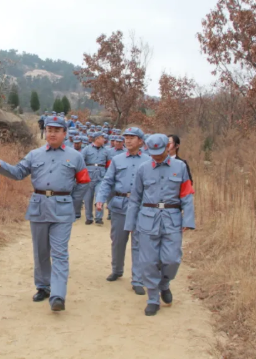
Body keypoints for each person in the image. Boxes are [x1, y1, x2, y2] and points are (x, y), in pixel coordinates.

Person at [0, 116, 90, 311]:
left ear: (65, 133)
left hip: (62, 210)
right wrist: (0, 165)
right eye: (49, 130)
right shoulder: (34, 155)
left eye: (57, 130)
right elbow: (18, 172)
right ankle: (43, 286)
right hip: (39, 207)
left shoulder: (75, 156)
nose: (52, 134)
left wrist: (71, 203)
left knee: (59, 253)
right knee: (41, 251)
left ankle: (58, 295)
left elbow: (84, 182)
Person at [125, 134, 195, 316]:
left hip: (172, 218)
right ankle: (153, 298)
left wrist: (188, 219)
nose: (156, 156)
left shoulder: (180, 167)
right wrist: (130, 223)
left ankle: (164, 283)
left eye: (160, 152)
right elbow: (135, 198)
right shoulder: (143, 169)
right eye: (153, 153)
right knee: (148, 261)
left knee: (172, 259)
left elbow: (186, 194)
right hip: (148, 218)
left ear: (167, 148)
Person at [96, 127, 150, 295]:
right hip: (120, 205)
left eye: (132, 138)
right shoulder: (117, 160)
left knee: (138, 243)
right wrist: (100, 198)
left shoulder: (149, 161)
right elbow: (107, 181)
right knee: (118, 240)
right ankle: (117, 270)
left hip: (140, 207)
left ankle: (138, 279)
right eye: (126, 137)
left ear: (140, 141)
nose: (128, 140)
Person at [81, 131, 111, 225]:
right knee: (88, 198)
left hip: (101, 176)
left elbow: (109, 164)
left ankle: (98, 217)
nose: (104, 140)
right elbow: (81, 162)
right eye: (102, 138)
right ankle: (89, 217)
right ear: (97, 139)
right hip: (89, 176)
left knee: (100, 196)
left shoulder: (106, 151)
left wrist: (107, 176)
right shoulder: (86, 149)